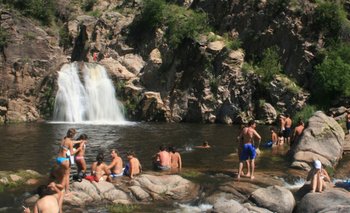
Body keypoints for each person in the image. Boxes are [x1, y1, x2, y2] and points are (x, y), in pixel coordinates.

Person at [56, 128, 84, 193]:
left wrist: (79, 141)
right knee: (67, 176)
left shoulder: (64, 139)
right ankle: (67, 191)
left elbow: (70, 142)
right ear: (73, 135)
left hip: (58, 159)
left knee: (63, 174)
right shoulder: (70, 142)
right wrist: (79, 148)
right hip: (64, 160)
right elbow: (71, 153)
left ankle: (61, 188)